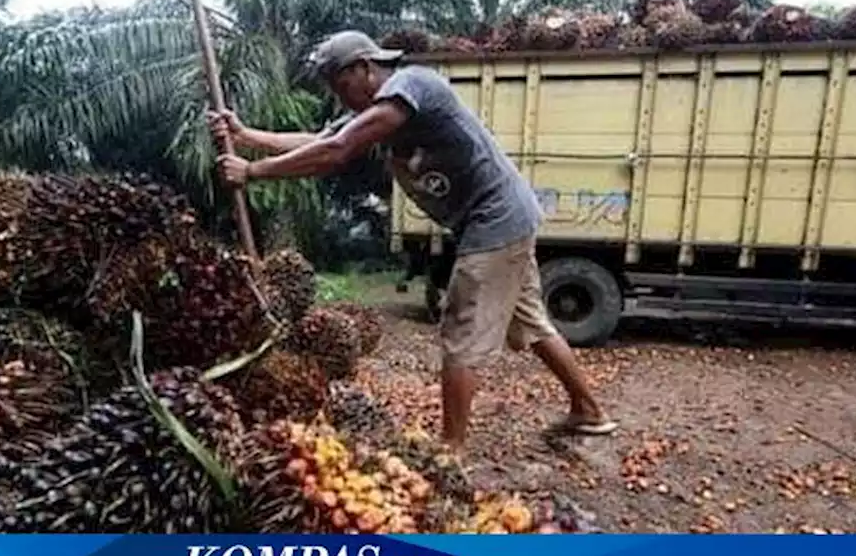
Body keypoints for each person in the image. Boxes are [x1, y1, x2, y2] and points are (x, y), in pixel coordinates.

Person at [208, 30, 618, 450]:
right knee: (530, 322)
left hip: (495, 219)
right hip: (502, 218)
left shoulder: (412, 85)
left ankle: (449, 450)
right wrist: (248, 136)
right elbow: (320, 139)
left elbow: (336, 150)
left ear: (365, 67)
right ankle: (588, 411)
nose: (340, 95)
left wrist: (254, 172)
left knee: (461, 331)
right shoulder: (381, 108)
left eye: (340, 84)